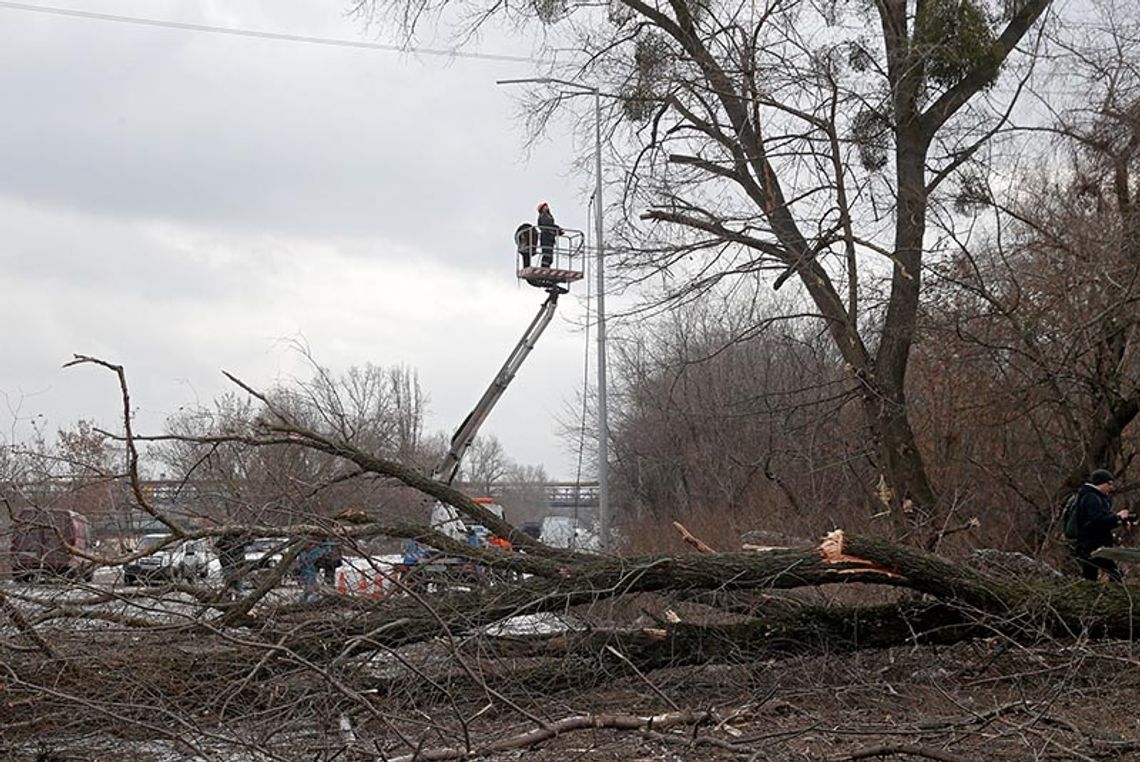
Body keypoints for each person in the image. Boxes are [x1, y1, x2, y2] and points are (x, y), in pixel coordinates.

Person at [1069, 468, 1132, 582]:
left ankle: (1090, 597)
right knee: (1114, 574)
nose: (1111, 488)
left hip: (1089, 544)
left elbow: (1100, 523)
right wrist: (1117, 517)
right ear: (1101, 483)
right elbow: (1096, 522)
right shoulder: (1091, 498)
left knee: (1091, 577)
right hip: (1091, 546)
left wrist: (1118, 522)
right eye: (1109, 484)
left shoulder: (1092, 496)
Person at [536, 202, 562, 268]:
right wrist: (556, 229)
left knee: (549, 255)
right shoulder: (543, 216)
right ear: (542, 209)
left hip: (550, 236)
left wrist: (557, 230)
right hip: (546, 236)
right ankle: (544, 267)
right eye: (545, 206)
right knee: (546, 253)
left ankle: (547, 266)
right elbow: (547, 225)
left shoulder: (549, 216)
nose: (547, 207)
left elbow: (551, 225)